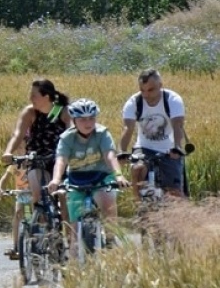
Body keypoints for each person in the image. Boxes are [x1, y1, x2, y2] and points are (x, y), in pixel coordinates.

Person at [0, 79, 70, 258]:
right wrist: (8, 152)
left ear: (46, 97)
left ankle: (69, 238)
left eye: (34, 95)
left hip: (58, 159)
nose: (31, 98)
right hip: (36, 159)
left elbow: (71, 133)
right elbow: (18, 134)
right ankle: (41, 226)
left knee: (62, 196)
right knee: (37, 191)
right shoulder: (30, 112)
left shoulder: (61, 112)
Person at [47, 99, 126, 230]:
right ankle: (75, 247)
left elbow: (110, 156)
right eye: (82, 119)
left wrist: (118, 175)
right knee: (75, 228)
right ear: (74, 120)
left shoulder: (102, 133)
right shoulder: (66, 138)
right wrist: (55, 179)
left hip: (102, 177)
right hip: (76, 179)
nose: (88, 123)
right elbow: (61, 160)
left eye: (91, 118)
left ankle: (112, 239)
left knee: (107, 201)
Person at [119, 68, 190, 197]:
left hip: (169, 148)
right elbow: (128, 128)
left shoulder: (172, 100)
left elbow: (177, 126)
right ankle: (139, 207)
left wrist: (177, 147)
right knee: (137, 169)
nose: (146, 95)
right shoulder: (134, 102)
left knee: (174, 192)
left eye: (150, 90)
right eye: (142, 90)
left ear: (160, 86)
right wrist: (123, 151)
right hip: (144, 147)